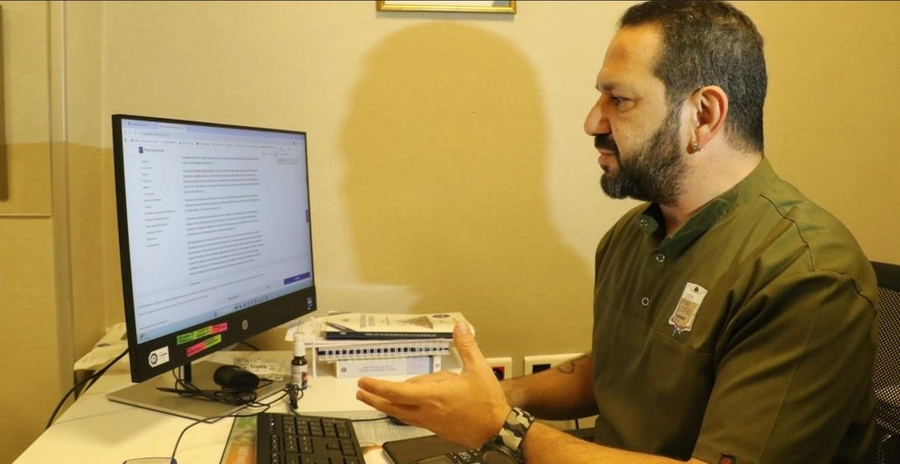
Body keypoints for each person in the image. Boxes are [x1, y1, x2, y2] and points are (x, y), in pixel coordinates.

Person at [356, 2, 879, 463]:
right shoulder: (635, 234)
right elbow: (617, 372)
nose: (593, 122)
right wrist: (495, 397)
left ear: (703, 115)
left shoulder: (806, 276)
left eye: (619, 100)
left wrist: (501, 428)